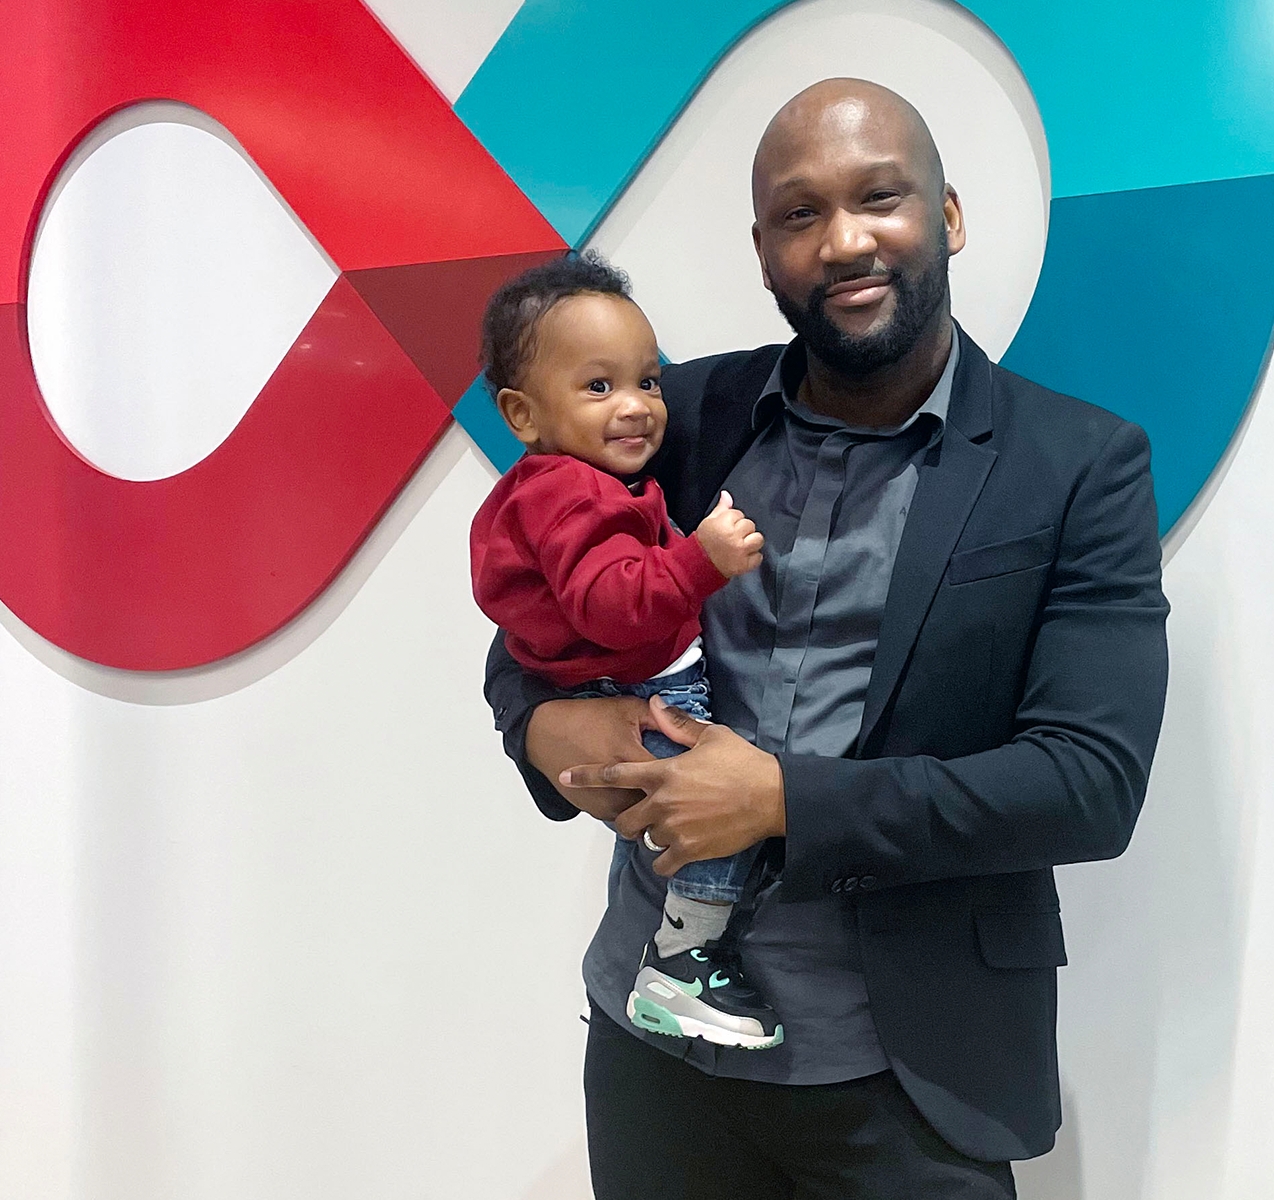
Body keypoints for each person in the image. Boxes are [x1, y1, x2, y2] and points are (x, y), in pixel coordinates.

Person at [484, 78, 1169, 1199]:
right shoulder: (675, 416)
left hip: (910, 1079)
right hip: (656, 1057)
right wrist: (548, 723)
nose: (845, 241)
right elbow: (536, 606)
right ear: (764, 255)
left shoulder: (1078, 464)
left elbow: (1089, 781)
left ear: (947, 216)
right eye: (801, 216)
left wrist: (785, 802)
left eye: (879, 199)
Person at [469, 253, 786, 1049]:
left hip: (630, 678)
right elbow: (608, 603)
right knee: (715, 816)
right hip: (650, 685)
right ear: (520, 413)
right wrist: (700, 559)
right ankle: (685, 959)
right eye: (599, 387)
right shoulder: (571, 490)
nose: (641, 406)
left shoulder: (570, 480)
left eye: (648, 380)